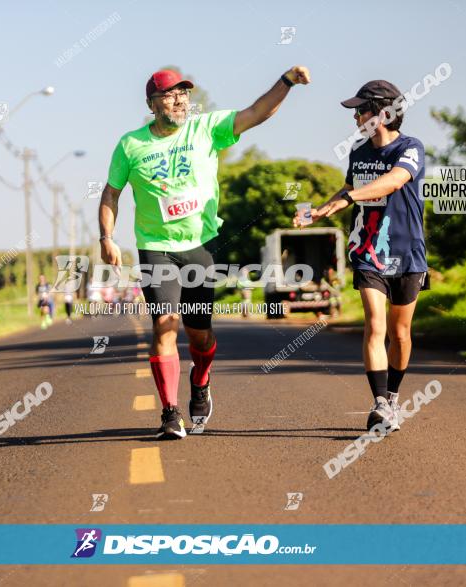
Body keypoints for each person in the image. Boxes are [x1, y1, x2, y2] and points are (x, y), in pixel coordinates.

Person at [100, 66, 311, 439]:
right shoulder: (130, 145)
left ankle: (201, 379)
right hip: (156, 248)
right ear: (151, 103)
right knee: (164, 325)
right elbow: (111, 193)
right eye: (169, 94)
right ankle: (170, 412)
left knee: (200, 335)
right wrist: (107, 236)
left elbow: (256, 112)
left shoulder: (207, 128)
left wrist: (286, 82)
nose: (179, 99)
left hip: (201, 247)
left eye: (184, 94)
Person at [295, 80, 428, 433]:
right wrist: (321, 211)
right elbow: (349, 188)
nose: (355, 117)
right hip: (368, 252)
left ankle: (394, 397)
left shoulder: (411, 148)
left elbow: (393, 182)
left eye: (361, 110)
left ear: (383, 113)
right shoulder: (359, 151)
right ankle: (380, 402)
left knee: (400, 334)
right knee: (375, 323)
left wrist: (352, 197)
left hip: (408, 252)